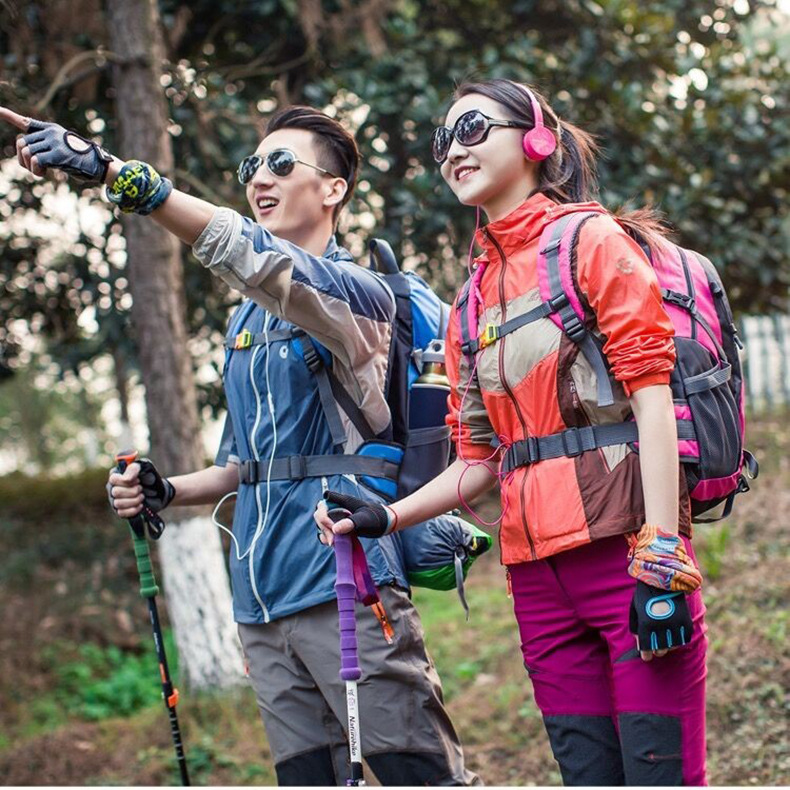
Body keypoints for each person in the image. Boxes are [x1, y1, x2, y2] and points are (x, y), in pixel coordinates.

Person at [2, 103, 480, 786]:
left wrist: (118, 174)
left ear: (333, 188)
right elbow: (239, 467)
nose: (260, 177)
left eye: (281, 164)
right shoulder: (246, 324)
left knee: (419, 772)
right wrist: (164, 489)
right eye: (252, 166)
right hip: (259, 598)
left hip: (342, 576)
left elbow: (255, 259)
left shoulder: (359, 297)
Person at [316, 79, 708, 786]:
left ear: (536, 140)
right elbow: (480, 461)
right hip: (535, 582)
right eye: (443, 140)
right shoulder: (467, 300)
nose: (453, 150)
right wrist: (384, 517)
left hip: (626, 559)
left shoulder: (589, 240)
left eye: (472, 128)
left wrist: (662, 554)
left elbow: (652, 399)